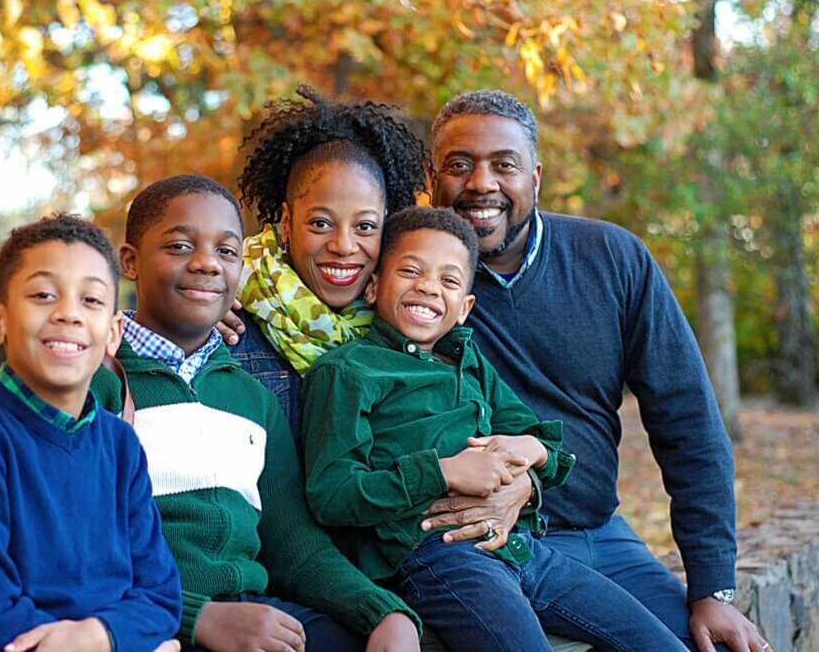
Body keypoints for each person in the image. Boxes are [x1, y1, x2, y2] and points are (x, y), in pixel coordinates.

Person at [425, 89, 768, 652]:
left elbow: (689, 425)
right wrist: (228, 308)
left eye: (503, 165)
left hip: (597, 535)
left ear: (535, 176)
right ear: (432, 176)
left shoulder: (613, 259)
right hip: (474, 545)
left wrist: (713, 589)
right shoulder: (409, 279)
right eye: (459, 165)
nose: (481, 183)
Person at [300, 205, 685, 651]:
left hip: (521, 548)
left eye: (448, 280)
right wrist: (442, 472)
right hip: (438, 557)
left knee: (658, 643)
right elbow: (331, 495)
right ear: (373, 286)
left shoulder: (469, 361)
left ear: (464, 308)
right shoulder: (349, 371)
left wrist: (534, 453)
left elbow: (539, 439)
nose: (427, 286)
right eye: (410, 271)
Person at [90, 174, 422, 652]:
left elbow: (294, 545)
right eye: (181, 246)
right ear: (130, 261)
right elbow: (83, 546)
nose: (206, 263)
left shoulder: (252, 398)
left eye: (227, 252)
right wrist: (197, 617)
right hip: (152, 622)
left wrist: (382, 611)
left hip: (257, 612)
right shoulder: (98, 386)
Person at [0, 214, 182, 652]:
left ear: (113, 333)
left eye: (91, 300)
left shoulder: (120, 445)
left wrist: (100, 636)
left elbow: (160, 599)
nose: (68, 313)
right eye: (44, 295)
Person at [221, 86, 427, 449]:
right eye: (320, 224)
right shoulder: (227, 320)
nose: (344, 246)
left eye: (364, 226)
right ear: (287, 222)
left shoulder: (412, 329)